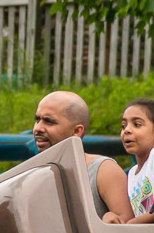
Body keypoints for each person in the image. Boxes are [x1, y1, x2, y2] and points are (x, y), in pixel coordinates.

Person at [32, 91, 133, 224]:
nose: (38, 128)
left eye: (49, 122)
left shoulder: (103, 170)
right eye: (37, 120)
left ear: (76, 131)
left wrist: (108, 220)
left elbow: (127, 227)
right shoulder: (33, 172)